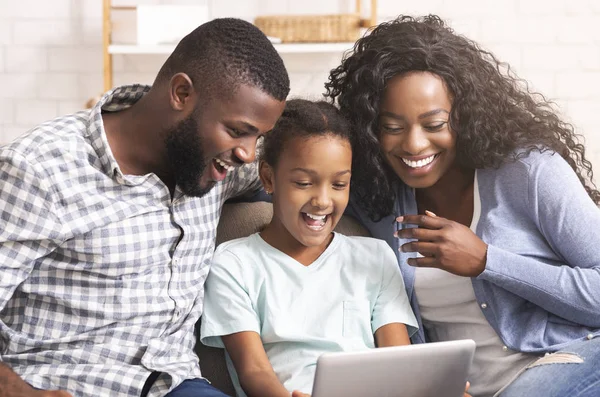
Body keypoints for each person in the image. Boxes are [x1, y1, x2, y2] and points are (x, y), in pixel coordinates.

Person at [0, 18, 289, 397]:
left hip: (176, 385)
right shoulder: (38, 170)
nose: (248, 153)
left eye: (258, 137)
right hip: (63, 384)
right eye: (237, 131)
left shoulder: (220, 166)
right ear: (182, 93)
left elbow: (315, 164)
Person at [325, 14, 600, 397]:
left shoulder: (528, 173)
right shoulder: (373, 194)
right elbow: (288, 175)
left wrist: (488, 260)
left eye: (434, 124)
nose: (414, 145)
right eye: (392, 127)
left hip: (569, 357)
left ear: (465, 118)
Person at [199, 99, 418, 397]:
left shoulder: (375, 256)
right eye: (304, 183)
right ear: (268, 178)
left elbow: (401, 364)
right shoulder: (233, 263)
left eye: (339, 185)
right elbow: (253, 371)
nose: (323, 201)